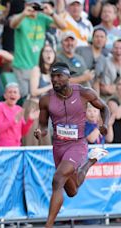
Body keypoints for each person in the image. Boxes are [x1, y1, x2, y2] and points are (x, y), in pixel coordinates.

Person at [34, 62, 110, 228]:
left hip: (77, 145)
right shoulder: (46, 99)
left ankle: (48, 225)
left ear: (68, 77)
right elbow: (42, 125)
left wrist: (105, 124)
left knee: (57, 179)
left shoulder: (84, 93)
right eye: (52, 76)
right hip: (59, 147)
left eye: (59, 76)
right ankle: (91, 161)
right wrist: (40, 132)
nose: (55, 79)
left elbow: (104, 108)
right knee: (72, 191)